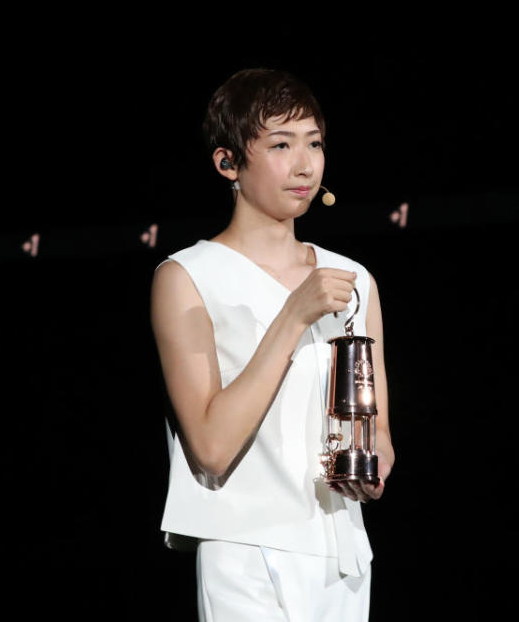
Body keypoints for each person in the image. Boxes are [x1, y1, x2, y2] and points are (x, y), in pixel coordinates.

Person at [150, 68, 395, 621]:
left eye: (314, 143)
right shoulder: (188, 276)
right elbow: (211, 447)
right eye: (280, 145)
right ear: (228, 163)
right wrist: (293, 315)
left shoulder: (352, 277)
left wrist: (375, 460)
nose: (304, 164)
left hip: (341, 553)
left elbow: (376, 429)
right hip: (243, 547)